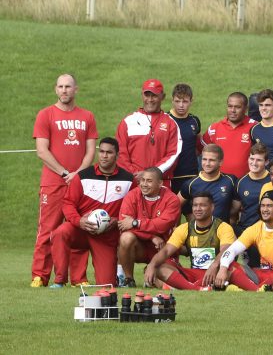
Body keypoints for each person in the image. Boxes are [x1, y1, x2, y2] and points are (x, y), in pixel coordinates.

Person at [31, 73, 97, 287]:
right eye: (60, 86)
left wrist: (77, 174)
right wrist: (63, 173)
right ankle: (40, 276)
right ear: (55, 89)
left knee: (79, 228)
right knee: (47, 229)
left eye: (68, 86)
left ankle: (79, 278)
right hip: (53, 182)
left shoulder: (87, 116)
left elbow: (90, 152)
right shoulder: (45, 114)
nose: (64, 90)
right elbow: (42, 151)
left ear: (76, 89)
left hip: (79, 184)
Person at [50, 138, 133, 288]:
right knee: (60, 232)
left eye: (109, 152)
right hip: (80, 229)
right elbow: (68, 203)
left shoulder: (128, 180)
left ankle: (114, 277)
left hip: (106, 236)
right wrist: (79, 221)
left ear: (117, 155)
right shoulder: (83, 176)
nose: (104, 156)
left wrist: (115, 220)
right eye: (101, 151)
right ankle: (59, 280)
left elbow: (133, 209)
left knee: (107, 285)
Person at [143, 192, 237, 290]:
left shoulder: (223, 227)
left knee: (232, 270)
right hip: (194, 273)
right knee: (157, 268)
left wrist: (214, 265)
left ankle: (183, 287)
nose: (198, 209)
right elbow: (166, 251)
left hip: (216, 272)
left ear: (212, 207)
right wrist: (151, 265)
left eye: (203, 205)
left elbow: (226, 250)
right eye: (195, 205)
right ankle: (196, 288)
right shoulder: (185, 228)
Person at [215, 190, 273, 291]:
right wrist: (223, 268)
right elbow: (232, 250)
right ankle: (260, 290)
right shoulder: (255, 228)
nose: (265, 209)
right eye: (263, 206)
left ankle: (254, 289)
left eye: (269, 206)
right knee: (228, 265)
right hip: (262, 274)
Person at [116, 167, 180, 287]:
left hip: (163, 249)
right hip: (139, 247)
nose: (144, 184)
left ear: (160, 183)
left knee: (171, 283)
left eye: (149, 181)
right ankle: (128, 279)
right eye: (142, 180)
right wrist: (151, 236)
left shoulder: (172, 199)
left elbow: (162, 225)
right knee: (126, 237)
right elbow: (123, 224)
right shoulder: (132, 195)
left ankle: (151, 276)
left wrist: (136, 223)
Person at [116, 79, 182, 184]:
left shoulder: (171, 124)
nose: (150, 100)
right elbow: (120, 152)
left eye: (154, 96)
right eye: (147, 95)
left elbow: (173, 154)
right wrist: (134, 174)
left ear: (163, 97)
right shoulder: (128, 121)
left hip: (160, 184)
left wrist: (150, 174)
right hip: (132, 182)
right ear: (142, 95)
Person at [201, 92, 257, 178]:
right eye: (230, 106)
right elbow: (200, 150)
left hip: (245, 183)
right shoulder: (214, 128)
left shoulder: (255, 128)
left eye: (237, 107)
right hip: (219, 184)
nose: (233, 110)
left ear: (246, 109)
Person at [178, 144, 238, 223]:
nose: (207, 163)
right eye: (204, 159)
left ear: (220, 162)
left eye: (211, 160)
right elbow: (175, 206)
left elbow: (236, 207)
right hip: (200, 233)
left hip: (222, 232)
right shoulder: (190, 184)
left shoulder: (230, 180)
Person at [167, 84, 201, 193]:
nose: (181, 105)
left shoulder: (194, 121)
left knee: (192, 209)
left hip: (191, 174)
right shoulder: (165, 120)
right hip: (171, 175)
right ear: (172, 100)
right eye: (177, 101)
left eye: (185, 101)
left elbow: (196, 144)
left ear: (191, 101)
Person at [234, 143, 271, 238]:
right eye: (251, 159)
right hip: (245, 230)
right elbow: (234, 210)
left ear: (266, 162)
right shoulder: (240, 182)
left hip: (266, 232)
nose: (254, 163)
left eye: (259, 160)